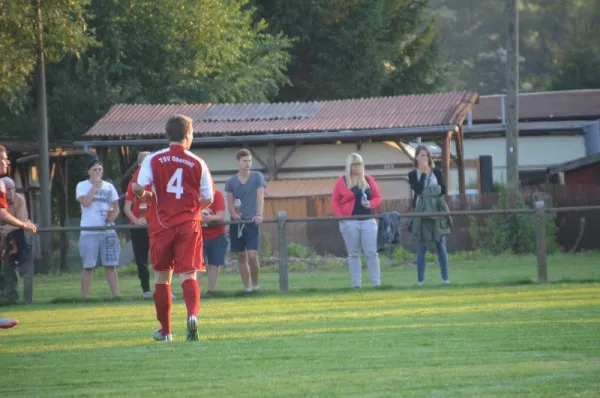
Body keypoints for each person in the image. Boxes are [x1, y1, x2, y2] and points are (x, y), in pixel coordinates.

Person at [133, 114, 213, 342]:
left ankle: (166, 331)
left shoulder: (154, 159)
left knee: (162, 278)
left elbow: (140, 187)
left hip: (161, 225)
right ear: (188, 134)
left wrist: (144, 194)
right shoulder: (198, 162)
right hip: (189, 224)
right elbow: (207, 197)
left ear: (168, 135)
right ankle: (192, 316)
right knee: (189, 274)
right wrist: (194, 207)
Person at [332, 153, 382, 288]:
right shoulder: (341, 181)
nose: (357, 166)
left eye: (359, 163)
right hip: (350, 221)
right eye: (354, 164)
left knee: (371, 253)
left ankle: (376, 284)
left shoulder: (368, 179)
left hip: (368, 220)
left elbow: (378, 197)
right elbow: (335, 201)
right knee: (354, 253)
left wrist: (371, 204)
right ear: (349, 166)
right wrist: (342, 218)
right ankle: (356, 285)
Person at [76, 158, 121, 299]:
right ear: (88, 171)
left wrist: (113, 216)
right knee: (88, 266)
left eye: (100, 169)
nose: (97, 172)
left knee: (110, 266)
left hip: (108, 230)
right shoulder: (82, 185)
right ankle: (84, 298)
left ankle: (116, 296)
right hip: (89, 230)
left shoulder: (109, 187)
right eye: (94, 169)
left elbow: (116, 207)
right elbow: (86, 202)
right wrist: (95, 186)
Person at [408, 145, 452, 287]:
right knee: (421, 247)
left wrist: (431, 195)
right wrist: (424, 175)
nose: (425, 158)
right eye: (422, 155)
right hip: (421, 212)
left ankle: (445, 279)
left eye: (426, 155)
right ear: (416, 157)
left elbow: (443, 189)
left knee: (441, 245)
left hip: (437, 211)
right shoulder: (412, 174)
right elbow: (418, 189)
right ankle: (420, 281)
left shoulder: (437, 172)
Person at [225, 149, 266, 293]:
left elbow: (260, 197)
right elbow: (230, 201)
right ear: (238, 162)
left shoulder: (257, 177)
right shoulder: (231, 181)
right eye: (245, 161)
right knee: (241, 255)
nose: (248, 163)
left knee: (252, 256)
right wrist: (234, 214)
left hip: (252, 221)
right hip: (237, 223)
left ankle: (256, 285)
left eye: (249, 161)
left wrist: (259, 215)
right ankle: (247, 288)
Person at [0, 146, 37, 307]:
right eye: (3, 158)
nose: (7, 161)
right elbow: (2, 215)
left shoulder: (16, 197)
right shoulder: (0, 185)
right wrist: (24, 225)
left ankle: (10, 296)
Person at [124, 151, 153, 298]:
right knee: (141, 260)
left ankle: (166, 290)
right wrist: (136, 221)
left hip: (155, 226)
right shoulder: (133, 184)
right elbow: (126, 208)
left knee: (163, 259)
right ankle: (146, 290)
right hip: (139, 228)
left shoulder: (155, 181)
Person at [0, 177, 29, 304]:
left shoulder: (20, 199)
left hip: (14, 237)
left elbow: (22, 220)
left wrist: (8, 228)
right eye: (8, 189)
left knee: (10, 266)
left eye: (13, 188)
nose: (11, 192)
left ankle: (11, 297)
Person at [198, 188, 227, 296]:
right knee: (198, 264)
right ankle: (196, 292)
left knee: (214, 264)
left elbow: (220, 216)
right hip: (198, 235)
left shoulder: (217, 194)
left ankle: (211, 291)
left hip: (217, 233)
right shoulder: (193, 194)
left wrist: (207, 218)